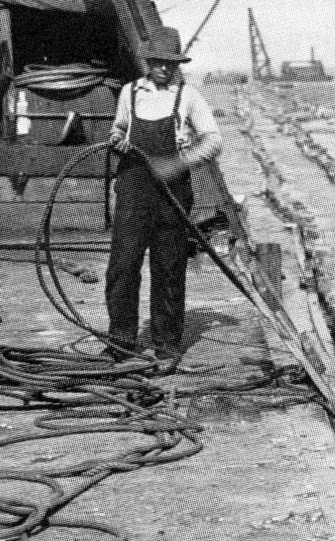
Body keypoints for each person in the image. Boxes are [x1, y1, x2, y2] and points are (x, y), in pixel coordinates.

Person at [104, 26, 222, 361]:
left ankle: (166, 343)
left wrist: (178, 162)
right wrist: (117, 139)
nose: (164, 68)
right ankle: (121, 341)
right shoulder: (129, 93)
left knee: (168, 268)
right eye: (158, 61)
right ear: (148, 61)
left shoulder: (189, 96)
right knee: (123, 266)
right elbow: (119, 129)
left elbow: (214, 141)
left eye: (170, 63)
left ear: (177, 64)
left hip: (172, 195)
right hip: (133, 189)